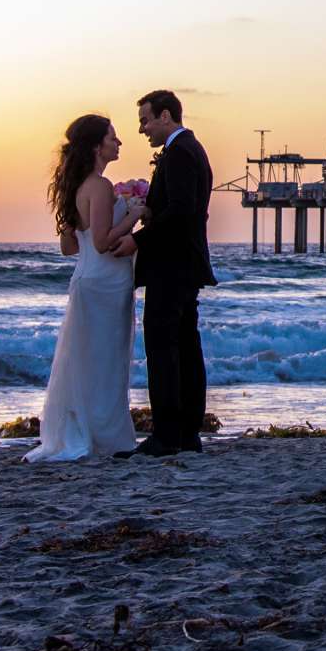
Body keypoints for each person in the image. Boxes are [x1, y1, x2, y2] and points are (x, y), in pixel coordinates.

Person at [24, 114, 139, 461]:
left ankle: (86, 427)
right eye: (113, 138)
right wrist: (135, 214)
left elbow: (70, 247)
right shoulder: (100, 186)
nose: (119, 143)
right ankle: (105, 435)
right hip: (106, 283)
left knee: (88, 360)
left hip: (87, 279)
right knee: (106, 362)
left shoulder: (76, 187)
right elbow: (103, 242)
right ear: (96, 145)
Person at [119, 89, 215, 457]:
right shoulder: (190, 150)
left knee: (163, 347)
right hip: (185, 263)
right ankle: (187, 433)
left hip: (172, 264)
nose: (142, 130)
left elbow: (179, 212)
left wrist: (138, 240)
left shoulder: (179, 154)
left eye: (145, 120)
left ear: (164, 116)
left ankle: (167, 435)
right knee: (186, 346)